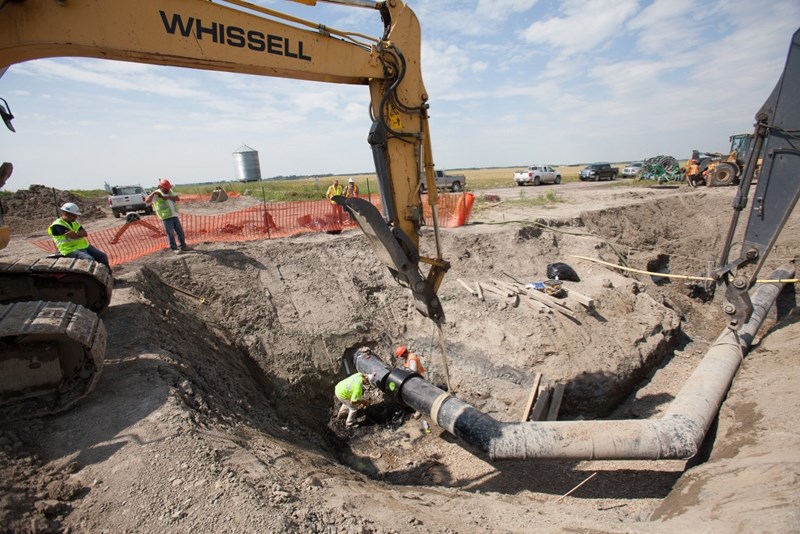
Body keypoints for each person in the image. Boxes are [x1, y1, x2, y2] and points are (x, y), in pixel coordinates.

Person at [48, 202, 111, 270]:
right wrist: (78, 234)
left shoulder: (74, 223)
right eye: (74, 215)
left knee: (102, 256)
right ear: (65, 213)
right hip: (69, 249)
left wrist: (76, 234)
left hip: (84, 246)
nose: (76, 217)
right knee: (89, 259)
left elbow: (84, 233)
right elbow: (72, 236)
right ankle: (89, 279)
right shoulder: (58, 225)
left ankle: (108, 275)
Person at [145, 178, 191, 253]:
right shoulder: (157, 194)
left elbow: (177, 198)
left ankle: (183, 246)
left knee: (180, 232)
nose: (167, 189)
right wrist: (153, 193)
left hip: (174, 215)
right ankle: (174, 248)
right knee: (170, 233)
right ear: (161, 187)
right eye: (166, 188)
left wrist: (167, 197)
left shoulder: (170, 191)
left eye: (168, 188)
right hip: (166, 216)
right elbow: (147, 200)